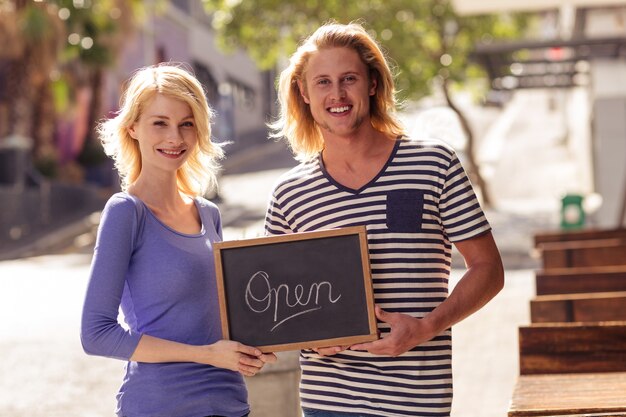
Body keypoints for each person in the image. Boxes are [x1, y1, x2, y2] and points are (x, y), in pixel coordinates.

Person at [265, 22, 504, 417]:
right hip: (328, 404)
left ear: (372, 84)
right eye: (322, 82)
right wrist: (308, 339)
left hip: (417, 402)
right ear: (304, 93)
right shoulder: (290, 194)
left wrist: (427, 327)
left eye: (349, 79)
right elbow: (278, 309)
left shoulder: (434, 164)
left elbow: (489, 269)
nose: (337, 94)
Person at [80, 64, 276, 417]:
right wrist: (206, 355)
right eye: (160, 123)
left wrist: (253, 347)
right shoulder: (127, 212)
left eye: (187, 123)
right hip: (160, 406)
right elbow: (96, 334)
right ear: (133, 128)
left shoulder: (208, 213)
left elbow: (216, 319)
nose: (175, 137)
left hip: (231, 403)